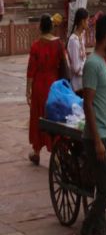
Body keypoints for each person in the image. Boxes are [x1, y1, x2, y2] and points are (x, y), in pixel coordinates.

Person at [71, 15, 106, 235]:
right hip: (97, 137)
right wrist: (98, 140)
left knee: (103, 191)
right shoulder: (92, 64)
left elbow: (98, 100)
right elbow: (88, 104)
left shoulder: (101, 63)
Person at [26, 15, 67, 165]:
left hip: (39, 85)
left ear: (40, 27)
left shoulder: (36, 45)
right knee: (53, 117)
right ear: (51, 27)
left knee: (38, 116)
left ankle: (36, 151)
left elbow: (31, 70)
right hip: (54, 84)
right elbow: (64, 64)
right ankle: (55, 153)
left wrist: (27, 90)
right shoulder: (59, 44)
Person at [67, 7, 89, 92]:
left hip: (83, 81)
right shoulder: (73, 40)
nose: (88, 22)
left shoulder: (81, 36)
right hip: (77, 84)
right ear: (82, 21)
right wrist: (87, 68)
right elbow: (76, 67)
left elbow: (82, 59)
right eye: (87, 20)